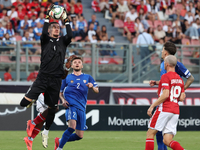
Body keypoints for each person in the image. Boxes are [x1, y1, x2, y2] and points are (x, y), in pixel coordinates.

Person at [19, 4, 72, 149]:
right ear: (49, 30)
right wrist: (48, 17)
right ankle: (32, 118)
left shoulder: (63, 42)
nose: (57, 29)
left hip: (55, 80)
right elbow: (43, 31)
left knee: (53, 109)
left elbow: (70, 35)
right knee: (23, 104)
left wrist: (66, 20)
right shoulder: (45, 40)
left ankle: (46, 132)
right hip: (43, 78)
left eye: (58, 28)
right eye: (54, 28)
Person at [23, 56, 76, 150]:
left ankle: (30, 139)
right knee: (54, 108)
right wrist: (66, 61)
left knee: (44, 118)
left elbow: (62, 76)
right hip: (42, 91)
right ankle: (32, 122)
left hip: (47, 91)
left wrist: (67, 67)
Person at [149, 42, 194, 150]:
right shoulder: (165, 63)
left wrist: (179, 91)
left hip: (167, 102)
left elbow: (191, 78)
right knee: (163, 136)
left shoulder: (175, 64)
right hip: (168, 101)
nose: (160, 51)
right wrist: (157, 83)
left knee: (154, 132)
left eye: (162, 49)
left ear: (165, 52)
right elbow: (168, 81)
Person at [54, 56, 99, 150]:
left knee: (79, 136)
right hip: (71, 106)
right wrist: (63, 100)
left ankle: (59, 141)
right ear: (72, 65)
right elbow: (60, 92)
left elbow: (97, 90)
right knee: (72, 127)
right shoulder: (67, 78)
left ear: (82, 65)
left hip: (82, 108)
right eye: (75, 62)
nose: (77, 63)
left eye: (79, 62)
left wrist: (92, 87)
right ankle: (59, 148)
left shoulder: (88, 77)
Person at [145, 55, 186, 150]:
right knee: (167, 140)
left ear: (166, 64)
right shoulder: (180, 80)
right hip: (175, 111)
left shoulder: (165, 76)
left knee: (150, 133)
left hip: (164, 109)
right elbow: (182, 97)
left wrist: (152, 105)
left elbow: (166, 94)